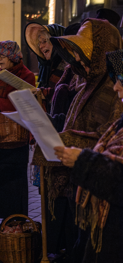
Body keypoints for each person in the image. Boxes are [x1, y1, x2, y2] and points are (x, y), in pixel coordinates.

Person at [33, 18, 123, 262]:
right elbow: (74, 122)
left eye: (84, 52)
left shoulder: (112, 87)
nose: (79, 59)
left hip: (102, 198)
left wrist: (69, 144)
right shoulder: (87, 83)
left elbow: (109, 142)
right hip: (79, 186)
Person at [53, 48, 123, 263]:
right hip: (103, 225)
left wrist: (81, 159)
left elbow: (118, 179)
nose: (116, 86)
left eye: (121, 79)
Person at [0, 41, 35, 232]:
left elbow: (24, 102)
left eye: (2, 55)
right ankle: (5, 220)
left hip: (15, 137)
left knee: (14, 180)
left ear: (12, 56)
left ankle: (16, 220)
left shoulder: (25, 75)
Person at [24, 22, 66, 112]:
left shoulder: (68, 66)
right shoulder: (47, 67)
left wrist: (43, 92)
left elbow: (67, 95)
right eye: (39, 43)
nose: (41, 46)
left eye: (44, 41)